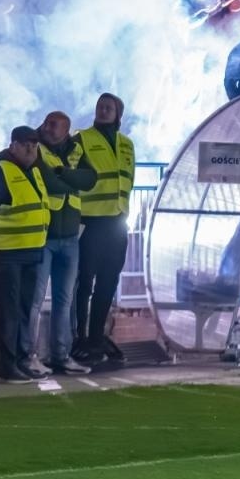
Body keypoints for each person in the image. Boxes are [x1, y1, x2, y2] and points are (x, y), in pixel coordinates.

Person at [0, 126, 49, 383]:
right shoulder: (0, 172)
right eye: (25, 144)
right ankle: (7, 365)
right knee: (9, 311)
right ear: (12, 146)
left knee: (24, 310)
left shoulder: (35, 172)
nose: (31, 149)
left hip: (31, 252)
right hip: (8, 253)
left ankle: (19, 360)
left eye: (34, 144)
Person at [30, 112, 97, 376]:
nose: (48, 128)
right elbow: (50, 184)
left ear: (67, 130)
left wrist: (63, 173)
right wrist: (70, 179)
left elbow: (90, 179)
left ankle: (61, 356)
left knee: (64, 300)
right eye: (47, 123)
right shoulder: (35, 146)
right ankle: (30, 356)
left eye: (54, 125)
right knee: (34, 299)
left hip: (70, 237)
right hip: (44, 235)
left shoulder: (76, 148)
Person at [73, 93, 135, 366]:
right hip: (92, 221)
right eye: (100, 106)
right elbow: (71, 172)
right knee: (85, 282)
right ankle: (80, 337)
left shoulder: (126, 144)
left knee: (108, 283)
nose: (103, 110)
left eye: (108, 107)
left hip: (117, 223)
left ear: (118, 113)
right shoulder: (82, 139)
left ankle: (97, 336)